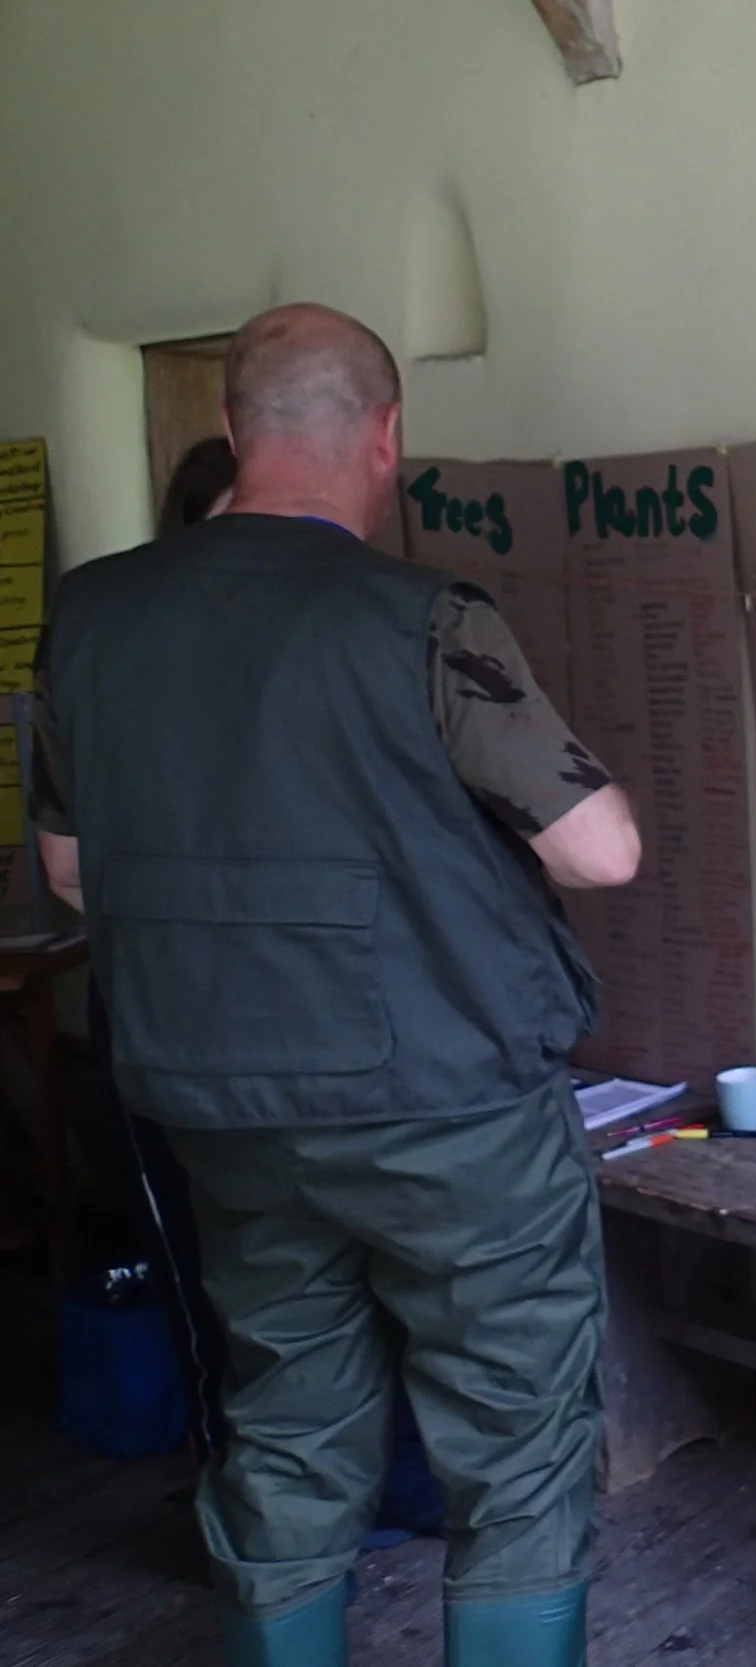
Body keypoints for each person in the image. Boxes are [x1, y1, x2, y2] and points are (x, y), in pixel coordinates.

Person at [32, 303, 641, 1666]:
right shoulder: (420, 618)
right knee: (516, 1445)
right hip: (451, 1112)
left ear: (235, 434)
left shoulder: (95, 617)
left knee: (288, 1419)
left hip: (224, 1109)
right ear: (387, 440)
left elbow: (72, 871)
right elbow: (602, 850)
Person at [104, 432, 450, 1550]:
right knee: (231, 1294)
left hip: (331, 1025)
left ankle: (382, 1492)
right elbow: (75, 868)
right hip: (185, 1026)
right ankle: (249, 1520)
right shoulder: (130, 665)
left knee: (363, 1276)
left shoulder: (331, 654)